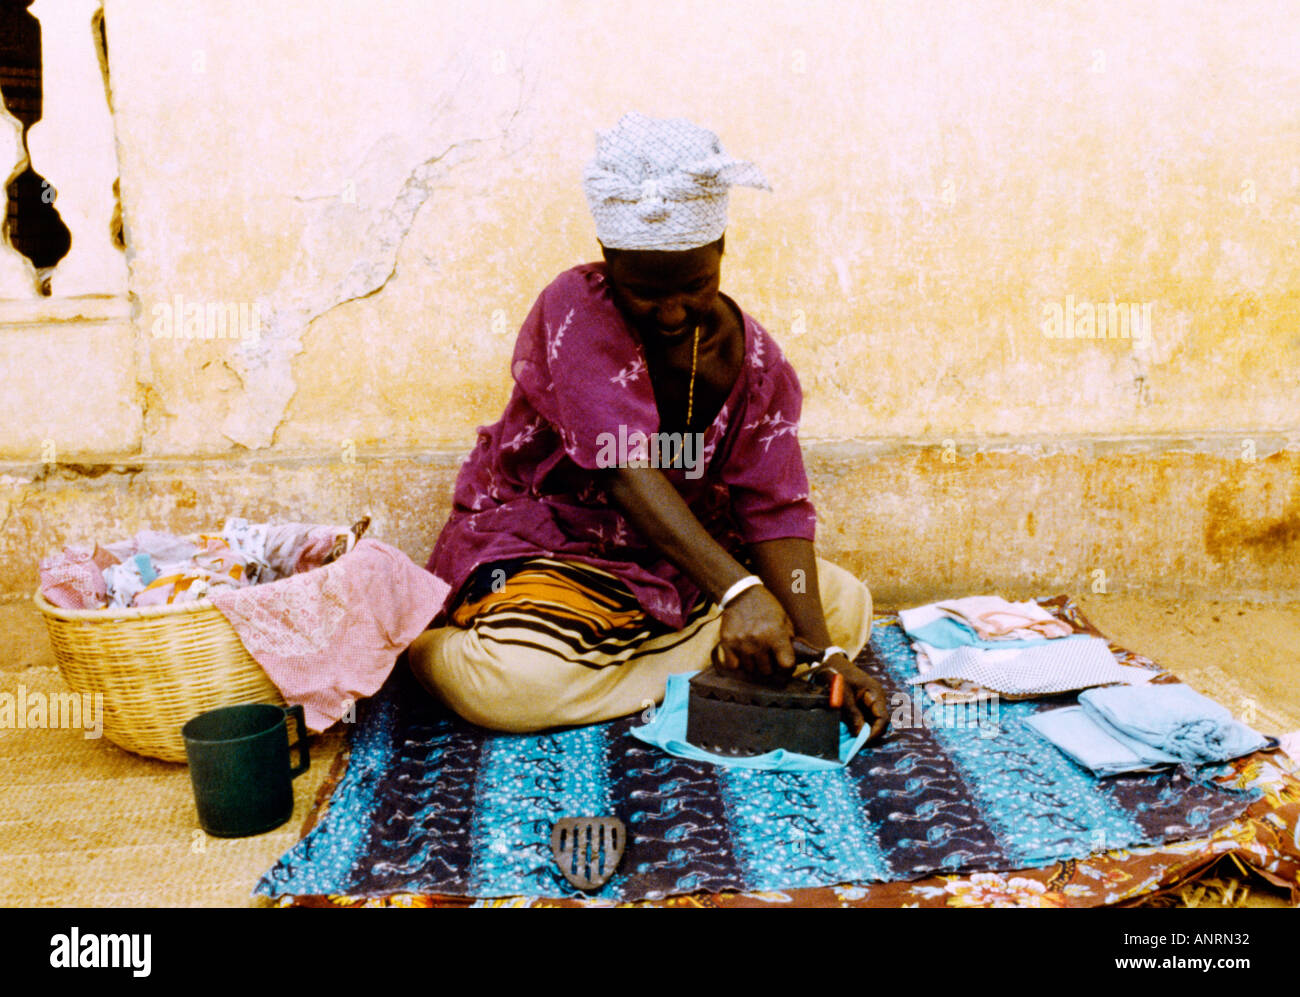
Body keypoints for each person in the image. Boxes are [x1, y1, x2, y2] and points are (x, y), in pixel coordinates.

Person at [408, 112, 888, 742]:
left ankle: (663, 661)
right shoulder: (577, 308)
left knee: (843, 603)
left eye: (695, 285)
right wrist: (742, 593)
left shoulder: (758, 364)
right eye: (643, 291)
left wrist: (826, 657)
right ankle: (429, 650)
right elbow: (624, 471)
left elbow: (776, 512)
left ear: (720, 250)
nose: (671, 312)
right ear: (608, 260)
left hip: (681, 561)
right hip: (559, 546)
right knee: (513, 681)